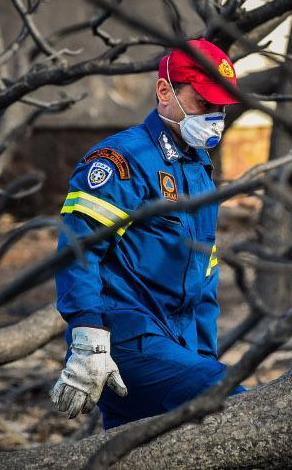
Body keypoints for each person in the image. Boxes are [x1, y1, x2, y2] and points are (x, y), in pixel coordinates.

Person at [49, 39, 245, 429]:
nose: (215, 116)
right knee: (233, 403)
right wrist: (87, 337)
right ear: (164, 91)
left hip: (176, 346)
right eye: (204, 103)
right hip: (124, 341)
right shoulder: (122, 159)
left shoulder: (199, 170)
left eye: (221, 106)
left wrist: (202, 356)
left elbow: (204, 275)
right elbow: (77, 249)